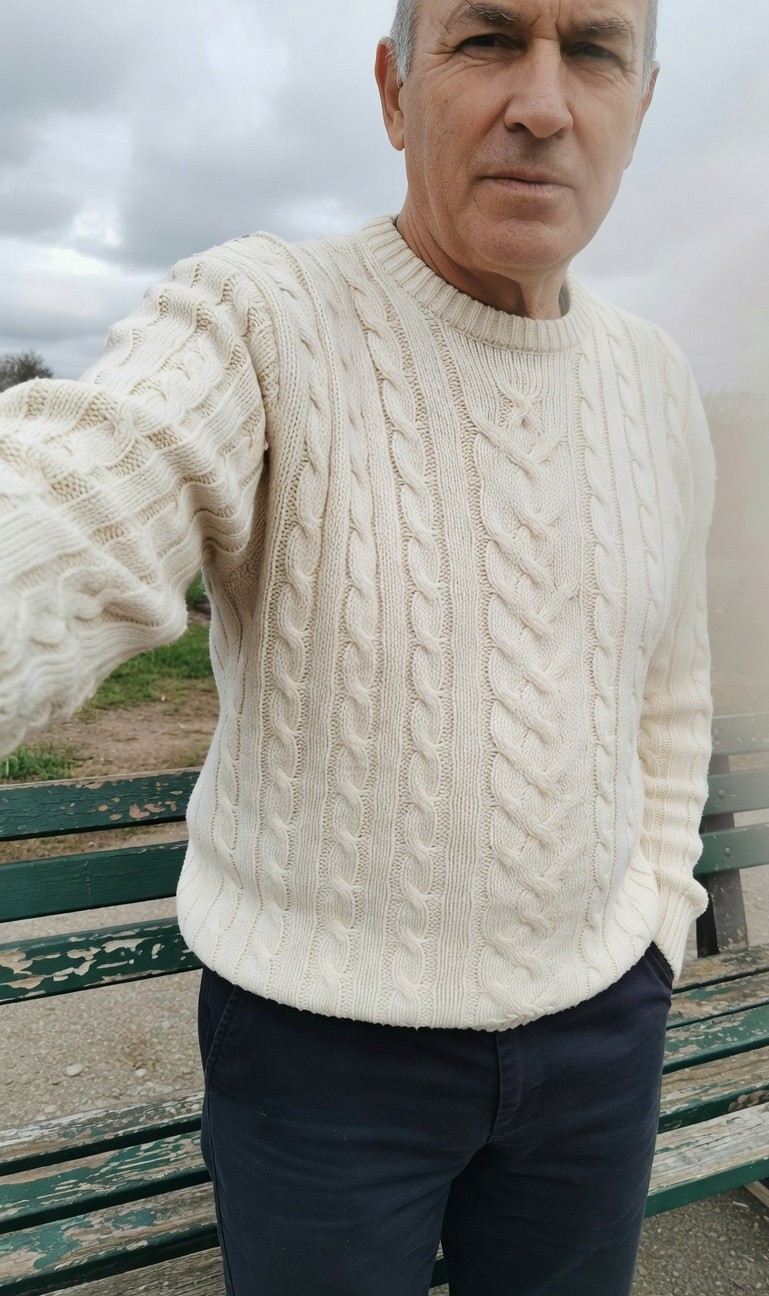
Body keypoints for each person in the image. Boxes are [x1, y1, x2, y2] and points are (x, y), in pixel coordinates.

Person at [0, 0, 716, 1292]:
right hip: (321, 1061)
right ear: (394, 91)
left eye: (594, 50)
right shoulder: (259, 317)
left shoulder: (657, 380)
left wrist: (659, 915)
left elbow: (670, 692)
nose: (544, 104)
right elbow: (86, 498)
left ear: (642, 103)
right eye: (488, 39)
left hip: (604, 1029)